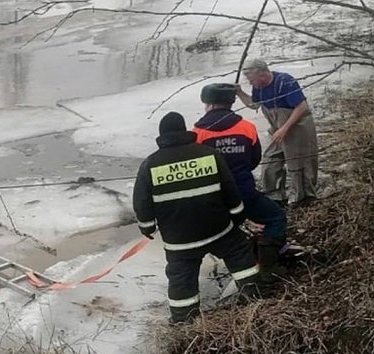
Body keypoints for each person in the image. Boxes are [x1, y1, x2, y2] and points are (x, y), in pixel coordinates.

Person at [133, 112, 260, 324]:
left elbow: (141, 203)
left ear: (162, 135)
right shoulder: (208, 154)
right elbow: (230, 190)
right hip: (218, 228)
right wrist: (237, 216)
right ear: (184, 131)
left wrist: (147, 227)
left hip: (180, 241)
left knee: (181, 279)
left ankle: (184, 323)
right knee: (241, 258)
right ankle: (255, 301)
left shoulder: (150, 165)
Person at [193, 83, 288, 288]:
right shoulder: (246, 127)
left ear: (208, 104)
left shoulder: (198, 133)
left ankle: (249, 258)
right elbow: (254, 159)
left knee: (229, 231)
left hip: (213, 197)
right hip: (244, 192)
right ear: (231, 103)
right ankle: (267, 268)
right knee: (275, 218)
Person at [236, 59, 318, 207]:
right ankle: (274, 195)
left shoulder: (285, 81)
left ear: (262, 73)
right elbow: (254, 104)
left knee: (297, 162)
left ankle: (301, 198)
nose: (251, 83)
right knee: (270, 158)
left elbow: (302, 107)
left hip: (297, 127)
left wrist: (285, 128)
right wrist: (240, 93)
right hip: (277, 128)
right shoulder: (258, 86)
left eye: (252, 79)